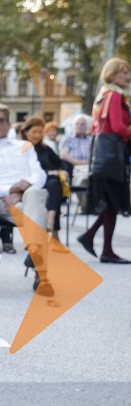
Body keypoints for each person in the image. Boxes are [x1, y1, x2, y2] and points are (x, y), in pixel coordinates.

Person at [0, 102, 53, 293]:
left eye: (0, 120)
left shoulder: (25, 147)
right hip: (1, 202)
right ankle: (41, 272)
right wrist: (8, 190)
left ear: (8, 123)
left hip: (28, 198)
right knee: (37, 212)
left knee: (34, 194)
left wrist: (22, 190)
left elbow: (39, 175)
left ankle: (34, 251)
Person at [78, 58, 131, 264]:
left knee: (110, 204)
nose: (128, 76)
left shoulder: (102, 96)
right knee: (113, 203)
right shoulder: (115, 96)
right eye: (124, 72)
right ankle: (101, 246)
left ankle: (97, 242)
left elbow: (97, 128)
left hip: (103, 158)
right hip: (112, 159)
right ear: (113, 74)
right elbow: (118, 128)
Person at [21, 117, 67, 245]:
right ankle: (53, 230)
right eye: (34, 131)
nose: (37, 135)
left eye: (40, 132)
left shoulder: (46, 149)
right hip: (29, 183)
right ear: (25, 132)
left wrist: (63, 171)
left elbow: (60, 163)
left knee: (55, 184)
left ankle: (50, 221)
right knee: (54, 185)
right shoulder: (20, 148)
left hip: (49, 182)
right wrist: (48, 172)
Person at [60, 114, 93, 211]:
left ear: (86, 127)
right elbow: (63, 155)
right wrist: (80, 163)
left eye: (82, 124)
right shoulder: (68, 139)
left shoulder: (91, 140)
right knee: (83, 179)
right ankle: (84, 207)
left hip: (89, 168)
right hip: (74, 169)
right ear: (73, 126)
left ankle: (91, 206)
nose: (79, 126)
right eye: (77, 124)